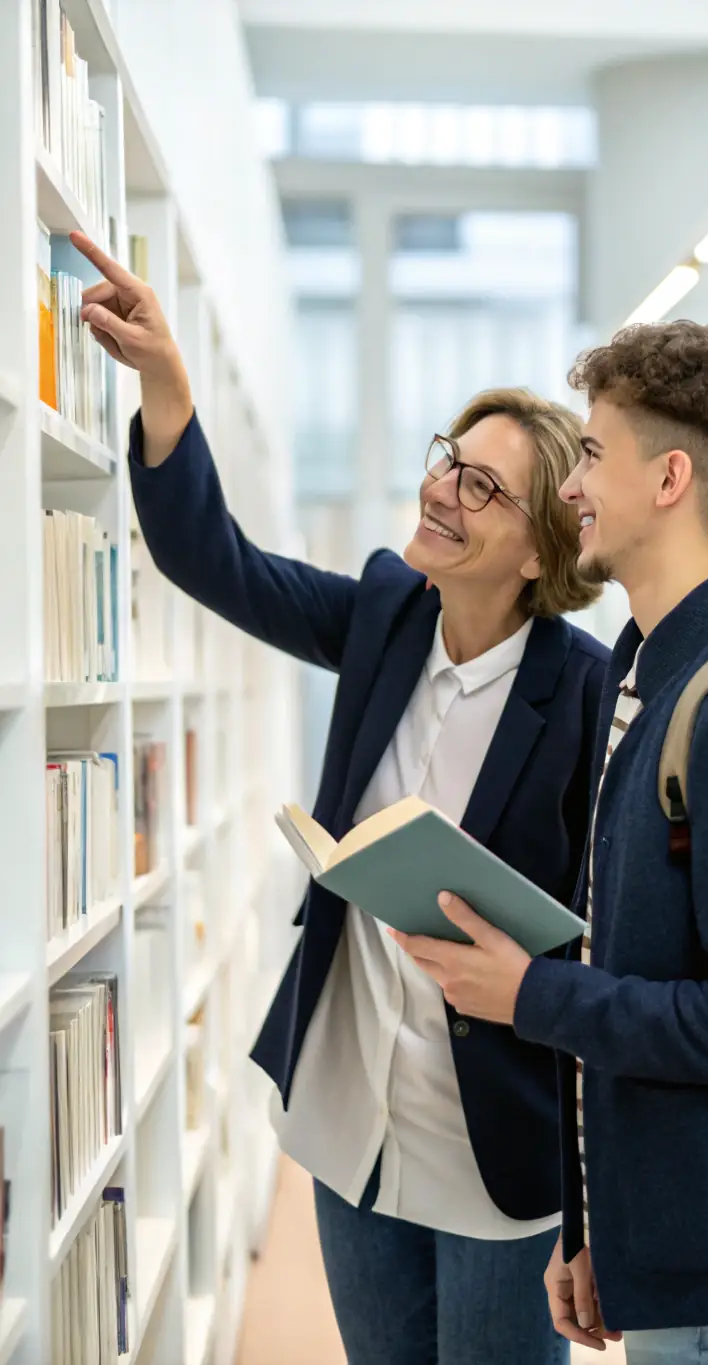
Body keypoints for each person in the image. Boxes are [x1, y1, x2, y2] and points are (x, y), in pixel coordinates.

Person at [71, 230, 612, 1365]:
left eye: (482, 484)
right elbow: (215, 561)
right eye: (444, 458)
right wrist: (168, 390)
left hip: (492, 1150)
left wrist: (597, 1193)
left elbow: (603, 940)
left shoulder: (585, 693)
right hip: (349, 1119)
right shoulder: (383, 612)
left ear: (538, 549)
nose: (441, 488)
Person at [391, 320, 708, 1363]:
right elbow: (625, 951)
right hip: (666, 1230)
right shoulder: (642, 669)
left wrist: (527, 996)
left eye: (593, 457)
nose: (571, 489)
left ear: (667, 479)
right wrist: (591, 1223)